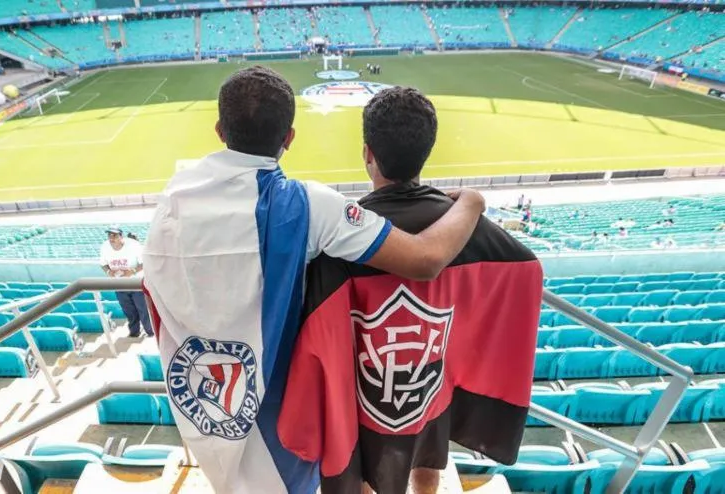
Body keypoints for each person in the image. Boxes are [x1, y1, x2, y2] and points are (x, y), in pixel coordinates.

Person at [142, 67, 486, 494]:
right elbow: (426, 258)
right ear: (289, 137)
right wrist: (472, 202)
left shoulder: (170, 200)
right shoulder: (306, 205)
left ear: (219, 130)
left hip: (204, 405)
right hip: (277, 414)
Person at [278, 87, 542, 494]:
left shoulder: (345, 239)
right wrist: (471, 203)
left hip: (364, 392)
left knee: (363, 464)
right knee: (429, 449)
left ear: (368, 153)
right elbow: (526, 270)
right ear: (427, 152)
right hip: (430, 377)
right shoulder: (466, 228)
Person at [100, 225, 152, 337]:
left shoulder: (134, 245)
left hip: (136, 283)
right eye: (109, 235)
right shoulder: (105, 247)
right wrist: (109, 272)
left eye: (114, 235)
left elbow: (145, 263)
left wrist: (132, 271)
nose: (111, 238)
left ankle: (150, 332)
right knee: (129, 311)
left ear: (121, 236)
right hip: (119, 285)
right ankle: (134, 332)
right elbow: (103, 264)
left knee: (143, 310)